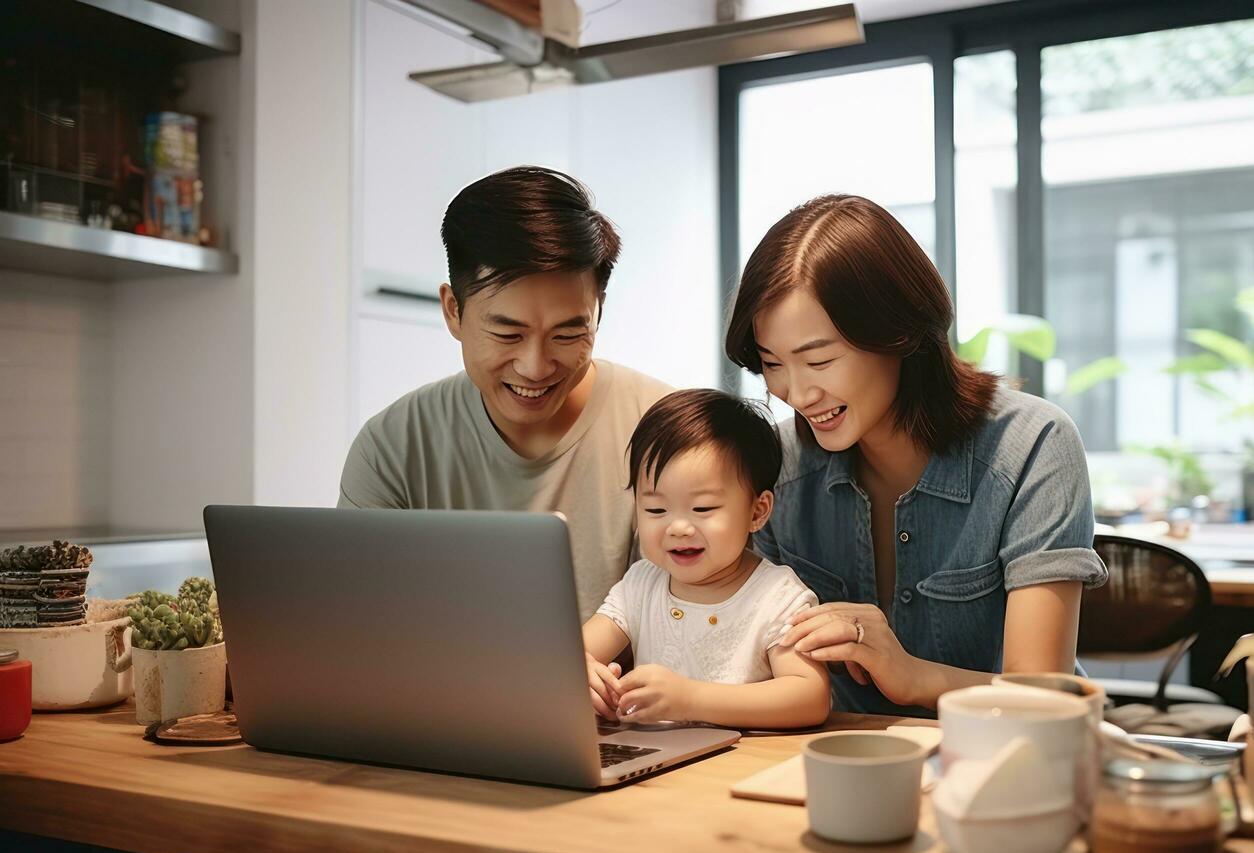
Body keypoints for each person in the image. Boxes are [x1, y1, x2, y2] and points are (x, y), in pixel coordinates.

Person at [724, 194, 1107, 718]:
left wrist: (913, 676)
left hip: (1010, 764)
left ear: (899, 333)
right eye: (772, 364)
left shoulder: (1032, 445)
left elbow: (1042, 696)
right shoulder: (780, 466)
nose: (797, 391)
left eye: (820, 359)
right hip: (835, 760)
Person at [338, 167, 670, 620]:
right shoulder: (393, 447)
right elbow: (356, 623)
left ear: (598, 312)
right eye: (508, 334)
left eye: (566, 334)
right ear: (453, 310)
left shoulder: (669, 433)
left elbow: (695, 627)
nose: (535, 367)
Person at [582, 389, 830, 729]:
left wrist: (690, 699)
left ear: (757, 512)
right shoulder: (641, 584)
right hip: (656, 763)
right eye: (656, 509)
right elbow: (567, 655)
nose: (679, 527)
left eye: (703, 509)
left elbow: (810, 697)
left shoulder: (778, 597)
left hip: (739, 767)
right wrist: (583, 673)